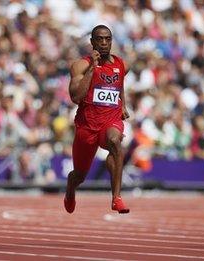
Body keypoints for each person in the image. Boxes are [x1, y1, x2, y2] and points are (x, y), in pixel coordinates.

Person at [65, 25, 130, 214]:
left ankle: (116, 198)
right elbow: (75, 96)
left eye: (107, 39)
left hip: (110, 121)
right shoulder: (81, 66)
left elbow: (119, 85)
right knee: (79, 176)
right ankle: (71, 187)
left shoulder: (121, 64)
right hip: (87, 128)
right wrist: (93, 71)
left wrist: (123, 104)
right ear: (92, 42)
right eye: (99, 39)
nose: (103, 43)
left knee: (115, 141)